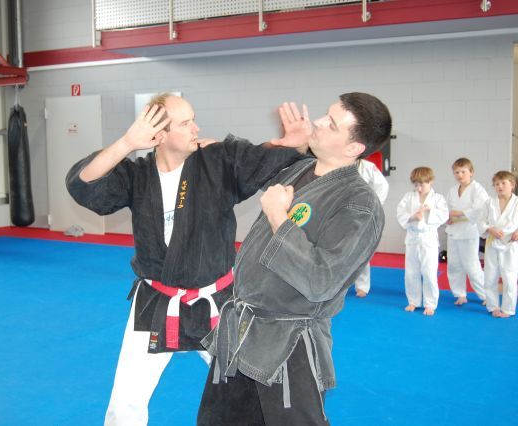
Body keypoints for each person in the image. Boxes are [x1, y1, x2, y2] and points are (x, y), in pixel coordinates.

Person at [65, 93, 305, 426]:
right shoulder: (136, 174)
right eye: (185, 123)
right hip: (156, 302)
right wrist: (127, 143)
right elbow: (82, 184)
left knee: (252, 394)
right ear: (159, 135)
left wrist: (293, 143)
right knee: (124, 405)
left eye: (193, 119)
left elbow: (263, 159)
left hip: (218, 302)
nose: (196, 128)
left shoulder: (217, 162)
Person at [198, 92, 392, 425]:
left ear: (353, 148)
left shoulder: (359, 204)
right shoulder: (298, 169)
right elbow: (251, 163)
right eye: (325, 114)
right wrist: (224, 147)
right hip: (243, 330)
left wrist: (279, 218)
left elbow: (321, 280)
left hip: (290, 344)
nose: (318, 122)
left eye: (331, 124)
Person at [396, 167, 449, 316]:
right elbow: (400, 213)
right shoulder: (408, 197)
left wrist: (430, 211)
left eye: (422, 185)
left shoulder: (438, 198)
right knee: (411, 272)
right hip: (412, 238)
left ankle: (430, 304)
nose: (419, 188)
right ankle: (413, 301)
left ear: (431, 181)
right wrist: (413, 217)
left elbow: (444, 215)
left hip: (428, 238)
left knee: (429, 273)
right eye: (416, 185)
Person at [445, 158, 489, 305]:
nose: (460, 175)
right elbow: (447, 209)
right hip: (453, 231)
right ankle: (460, 294)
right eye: (456, 172)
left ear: (471, 172)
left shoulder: (477, 189)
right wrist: (448, 218)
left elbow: (480, 209)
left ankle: (486, 295)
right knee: (454, 265)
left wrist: (458, 213)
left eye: (463, 172)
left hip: (469, 231)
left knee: (471, 265)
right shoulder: (452, 190)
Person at [479, 171, 518, 318]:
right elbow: (481, 221)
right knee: (490, 277)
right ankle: (493, 306)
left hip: (510, 244)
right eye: (496, 184)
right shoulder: (489, 202)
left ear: (512, 185)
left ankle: (508, 309)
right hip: (492, 243)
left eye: (503, 183)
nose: (500, 186)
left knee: (510, 278)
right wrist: (490, 229)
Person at [354, 158, 389, 297]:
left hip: (363, 211)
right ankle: (339, 285)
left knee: (361, 250)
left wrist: (374, 205)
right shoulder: (337, 163)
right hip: (341, 211)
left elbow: (383, 185)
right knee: (338, 250)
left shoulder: (367, 166)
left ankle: (362, 285)